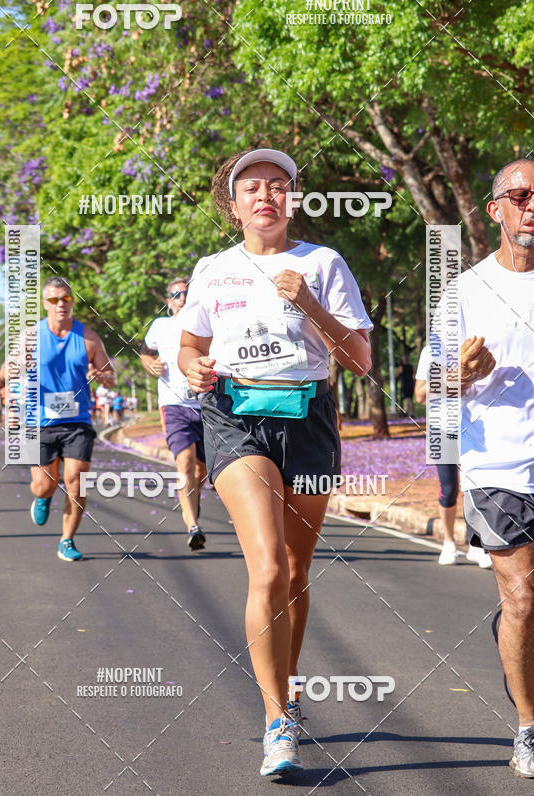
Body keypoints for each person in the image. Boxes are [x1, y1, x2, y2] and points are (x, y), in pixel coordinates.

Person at [178, 148, 372, 776]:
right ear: (233, 208)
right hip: (236, 420)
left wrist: (312, 304)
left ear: (293, 200)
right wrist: (194, 367)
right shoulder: (212, 270)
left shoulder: (323, 263)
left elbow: (362, 360)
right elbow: (189, 348)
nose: (267, 195)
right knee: (266, 571)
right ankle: (276, 722)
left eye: (279, 186)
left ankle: (286, 692)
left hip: (309, 419)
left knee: (295, 570)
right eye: (253, 187)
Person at [432, 159, 534, 779]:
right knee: (522, 595)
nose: (532, 206)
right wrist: (461, 375)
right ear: (494, 209)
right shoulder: (465, 291)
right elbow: (427, 388)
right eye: (519, 196)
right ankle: (529, 725)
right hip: (498, 467)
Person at [0, 276, 116, 561]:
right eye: (53, 300)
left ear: (72, 301)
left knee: (77, 480)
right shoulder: (30, 337)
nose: (60, 304)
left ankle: (67, 539)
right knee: (45, 483)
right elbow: (5, 373)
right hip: (38, 421)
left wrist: (102, 376)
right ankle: (43, 496)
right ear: (44, 304)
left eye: (65, 299)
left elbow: (112, 378)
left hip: (77, 421)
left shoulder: (88, 338)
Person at [141, 277, 207, 550]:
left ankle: (191, 501)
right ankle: (193, 526)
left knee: (201, 470)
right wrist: (151, 365)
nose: (181, 297)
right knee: (185, 463)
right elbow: (145, 353)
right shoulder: (161, 326)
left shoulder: (206, 324)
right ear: (169, 302)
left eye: (186, 293)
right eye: (176, 294)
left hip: (205, 404)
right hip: (174, 404)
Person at [414, 346, 491, 568]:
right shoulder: (430, 352)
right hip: (441, 429)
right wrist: (454, 379)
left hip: (476, 428)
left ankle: (476, 546)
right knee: (449, 490)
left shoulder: (477, 348)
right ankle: (448, 544)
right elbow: (419, 395)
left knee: (475, 488)